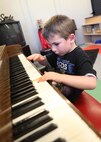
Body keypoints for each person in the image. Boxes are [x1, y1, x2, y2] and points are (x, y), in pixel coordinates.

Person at [27, 15, 97, 102]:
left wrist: (59, 77)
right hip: (57, 91)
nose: (53, 49)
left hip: (69, 100)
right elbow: (47, 62)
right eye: (50, 45)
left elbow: (92, 83)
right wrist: (40, 59)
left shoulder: (80, 55)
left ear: (71, 38)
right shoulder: (58, 52)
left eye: (56, 44)